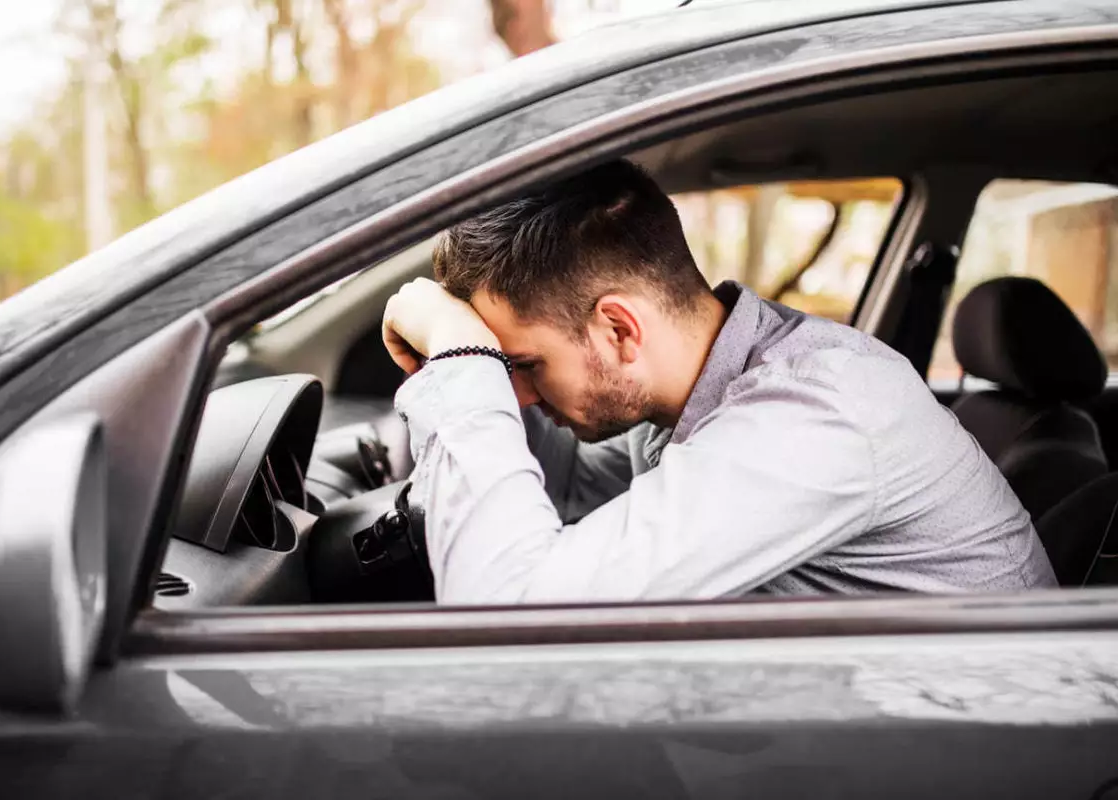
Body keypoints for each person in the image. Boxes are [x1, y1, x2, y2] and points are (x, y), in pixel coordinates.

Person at [381, 159, 1056, 604]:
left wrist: (461, 364)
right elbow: (562, 488)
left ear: (619, 331)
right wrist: (467, 363)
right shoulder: (697, 390)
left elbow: (503, 618)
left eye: (523, 366)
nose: (518, 396)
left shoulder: (817, 412)